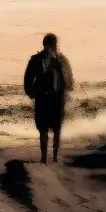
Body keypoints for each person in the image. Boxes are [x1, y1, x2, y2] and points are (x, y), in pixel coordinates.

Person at [23, 33, 75, 162]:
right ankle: (44, 158)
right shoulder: (36, 59)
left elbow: (68, 78)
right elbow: (28, 78)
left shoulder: (61, 60)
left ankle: (55, 157)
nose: (51, 47)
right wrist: (32, 93)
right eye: (50, 45)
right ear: (45, 45)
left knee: (56, 129)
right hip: (42, 99)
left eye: (53, 45)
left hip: (57, 99)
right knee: (43, 130)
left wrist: (66, 91)